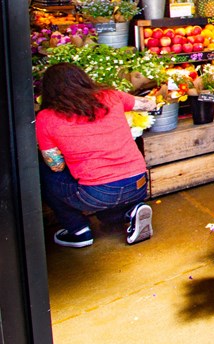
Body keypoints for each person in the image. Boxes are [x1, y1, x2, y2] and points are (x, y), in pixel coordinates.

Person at [35, 63, 155, 248]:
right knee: (106, 214)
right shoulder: (111, 96)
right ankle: (131, 212)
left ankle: (78, 230)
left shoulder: (46, 117)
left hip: (97, 192)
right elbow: (147, 104)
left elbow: (56, 166)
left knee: (45, 172)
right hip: (138, 182)